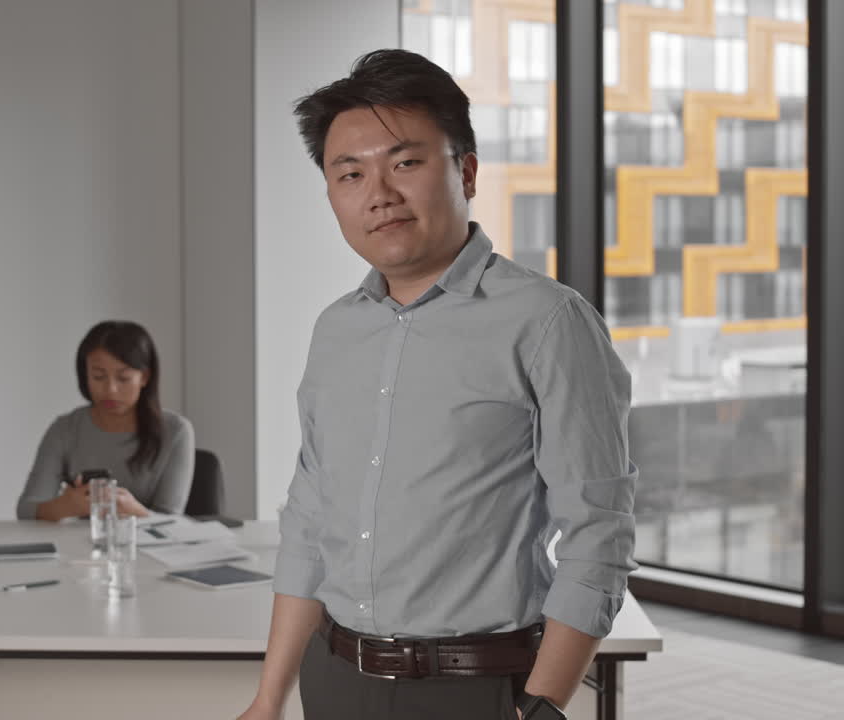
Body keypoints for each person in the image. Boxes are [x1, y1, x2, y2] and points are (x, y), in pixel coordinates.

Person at [238, 49, 637, 720]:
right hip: (333, 678)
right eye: (351, 173)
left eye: (405, 162)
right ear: (332, 194)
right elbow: (309, 523)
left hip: (475, 689)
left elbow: (599, 531)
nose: (379, 193)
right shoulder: (335, 332)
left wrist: (538, 707)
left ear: (466, 170)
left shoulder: (547, 322)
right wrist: (269, 697)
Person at [17, 320, 195, 521]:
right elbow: (26, 509)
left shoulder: (176, 431)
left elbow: (173, 521)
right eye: (98, 376)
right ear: (85, 376)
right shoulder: (65, 429)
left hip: (149, 548)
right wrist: (67, 506)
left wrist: (135, 511)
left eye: (123, 378)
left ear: (144, 377)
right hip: (79, 547)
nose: (110, 390)